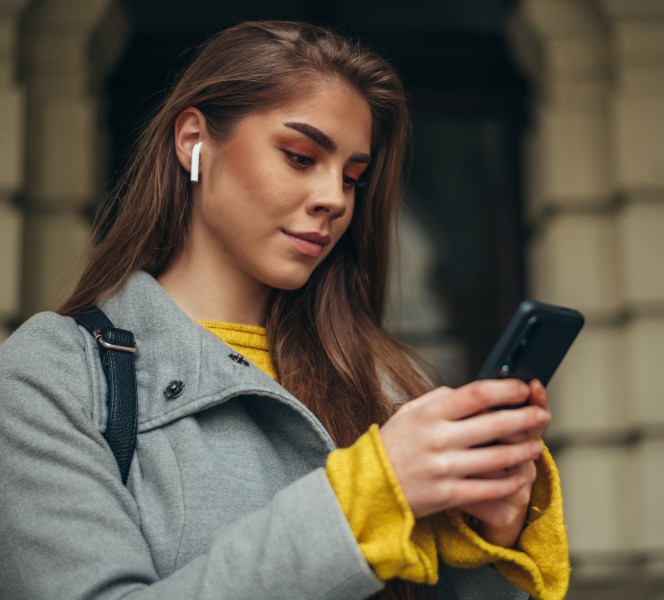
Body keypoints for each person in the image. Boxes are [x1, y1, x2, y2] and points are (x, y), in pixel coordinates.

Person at [0, 20, 569, 600]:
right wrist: (366, 498)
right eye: (300, 157)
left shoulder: (395, 383)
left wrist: (490, 528)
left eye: (353, 177)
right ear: (193, 140)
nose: (334, 199)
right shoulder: (55, 375)